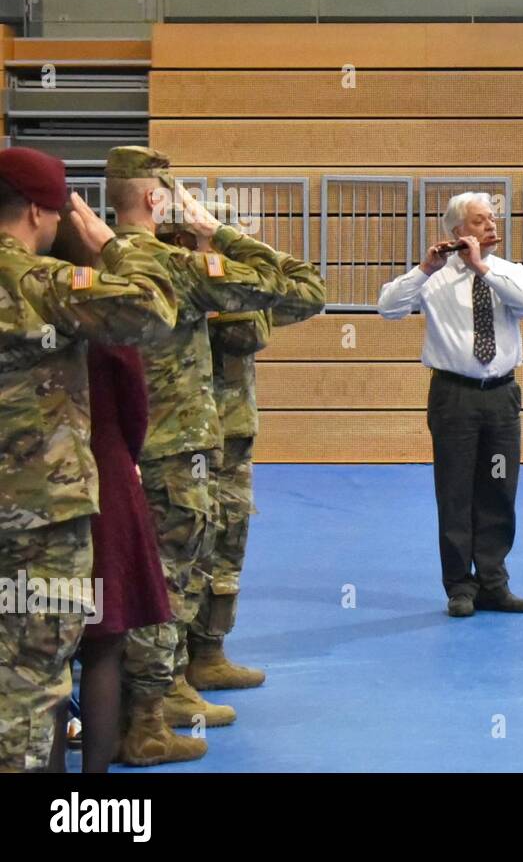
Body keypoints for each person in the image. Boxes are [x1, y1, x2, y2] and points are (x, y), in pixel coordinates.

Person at [104, 146, 317, 765]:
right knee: (170, 571)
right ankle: (153, 703)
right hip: (180, 442)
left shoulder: (97, 258)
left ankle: (178, 674)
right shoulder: (177, 266)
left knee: (167, 566)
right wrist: (216, 235)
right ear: (156, 199)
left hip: (130, 443)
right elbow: (300, 290)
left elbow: (250, 326)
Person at [0, 146, 177, 773]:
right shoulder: (46, 287)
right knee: (38, 679)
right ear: (38, 212)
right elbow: (155, 313)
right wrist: (114, 246)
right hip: (43, 521)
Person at [377, 192, 523, 618]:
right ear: (457, 232)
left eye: (492, 218)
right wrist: (424, 268)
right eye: (479, 221)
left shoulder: (508, 272)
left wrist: (481, 268)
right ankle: (459, 587)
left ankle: (493, 580)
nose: (490, 225)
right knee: (455, 491)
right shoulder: (433, 278)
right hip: (454, 398)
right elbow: (388, 308)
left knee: (499, 485)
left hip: (501, 398)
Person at [184, 203, 325, 691]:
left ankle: (208, 651)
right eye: (220, 232)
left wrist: (232, 245)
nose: (229, 239)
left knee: (228, 542)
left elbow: (310, 290)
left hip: (232, 435)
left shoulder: (247, 284)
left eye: (235, 232)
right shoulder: (177, 278)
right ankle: (168, 665)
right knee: (184, 548)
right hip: (181, 440)